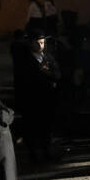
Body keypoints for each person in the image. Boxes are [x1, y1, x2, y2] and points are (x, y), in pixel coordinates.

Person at [19, 30, 62, 162]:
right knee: (33, 127)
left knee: (47, 127)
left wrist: (47, 73)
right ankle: (33, 154)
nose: (40, 46)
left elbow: (57, 74)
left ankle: (47, 151)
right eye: (37, 43)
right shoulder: (25, 59)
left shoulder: (47, 57)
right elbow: (24, 80)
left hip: (47, 98)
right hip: (32, 99)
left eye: (42, 43)